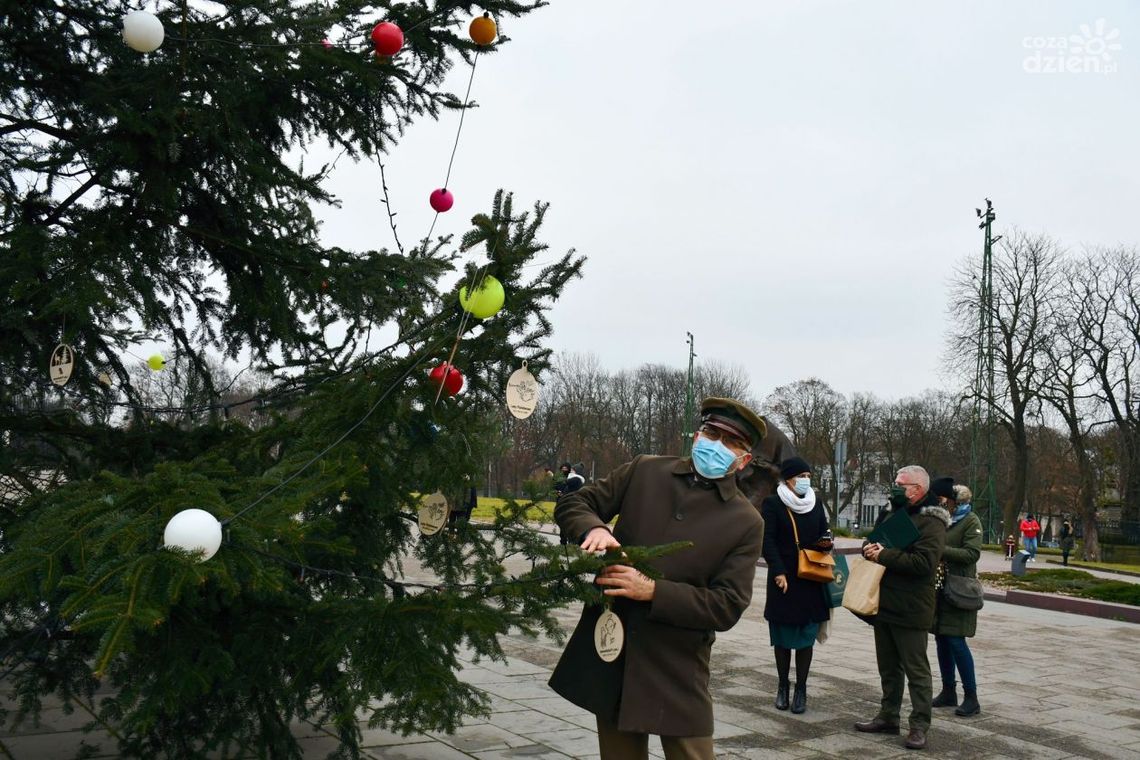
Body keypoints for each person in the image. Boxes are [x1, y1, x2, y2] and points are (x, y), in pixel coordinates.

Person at [548, 397, 766, 760]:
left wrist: (652, 591)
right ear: (697, 435)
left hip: (678, 665)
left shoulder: (746, 521)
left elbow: (727, 605)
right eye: (712, 433)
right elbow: (575, 503)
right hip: (615, 652)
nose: (716, 445)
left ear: (743, 460)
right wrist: (595, 528)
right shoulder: (645, 470)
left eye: (730, 442)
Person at [854, 465, 949, 751]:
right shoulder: (893, 511)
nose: (895, 487)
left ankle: (919, 726)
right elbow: (872, 541)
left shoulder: (932, 522)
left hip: (911, 606)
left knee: (916, 670)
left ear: (918, 489)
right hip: (884, 603)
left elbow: (924, 565)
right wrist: (868, 549)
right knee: (888, 668)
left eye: (900, 484)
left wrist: (885, 555)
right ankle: (887, 716)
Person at [760, 456, 832, 715]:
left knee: (805, 638)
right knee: (782, 637)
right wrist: (778, 570)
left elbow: (825, 532)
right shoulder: (772, 503)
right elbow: (766, 540)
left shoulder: (815, 502)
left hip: (810, 579)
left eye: (808, 476)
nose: (806, 480)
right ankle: (782, 686)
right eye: (802, 476)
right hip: (785, 580)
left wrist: (826, 544)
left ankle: (801, 689)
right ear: (788, 478)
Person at [931, 482, 983, 718]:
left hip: (960, 589)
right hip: (941, 588)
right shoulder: (946, 519)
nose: (943, 503)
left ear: (956, 501)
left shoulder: (970, 521)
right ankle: (948, 690)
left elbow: (972, 553)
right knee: (942, 639)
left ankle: (971, 697)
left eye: (947, 500)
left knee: (956, 641)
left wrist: (941, 549)